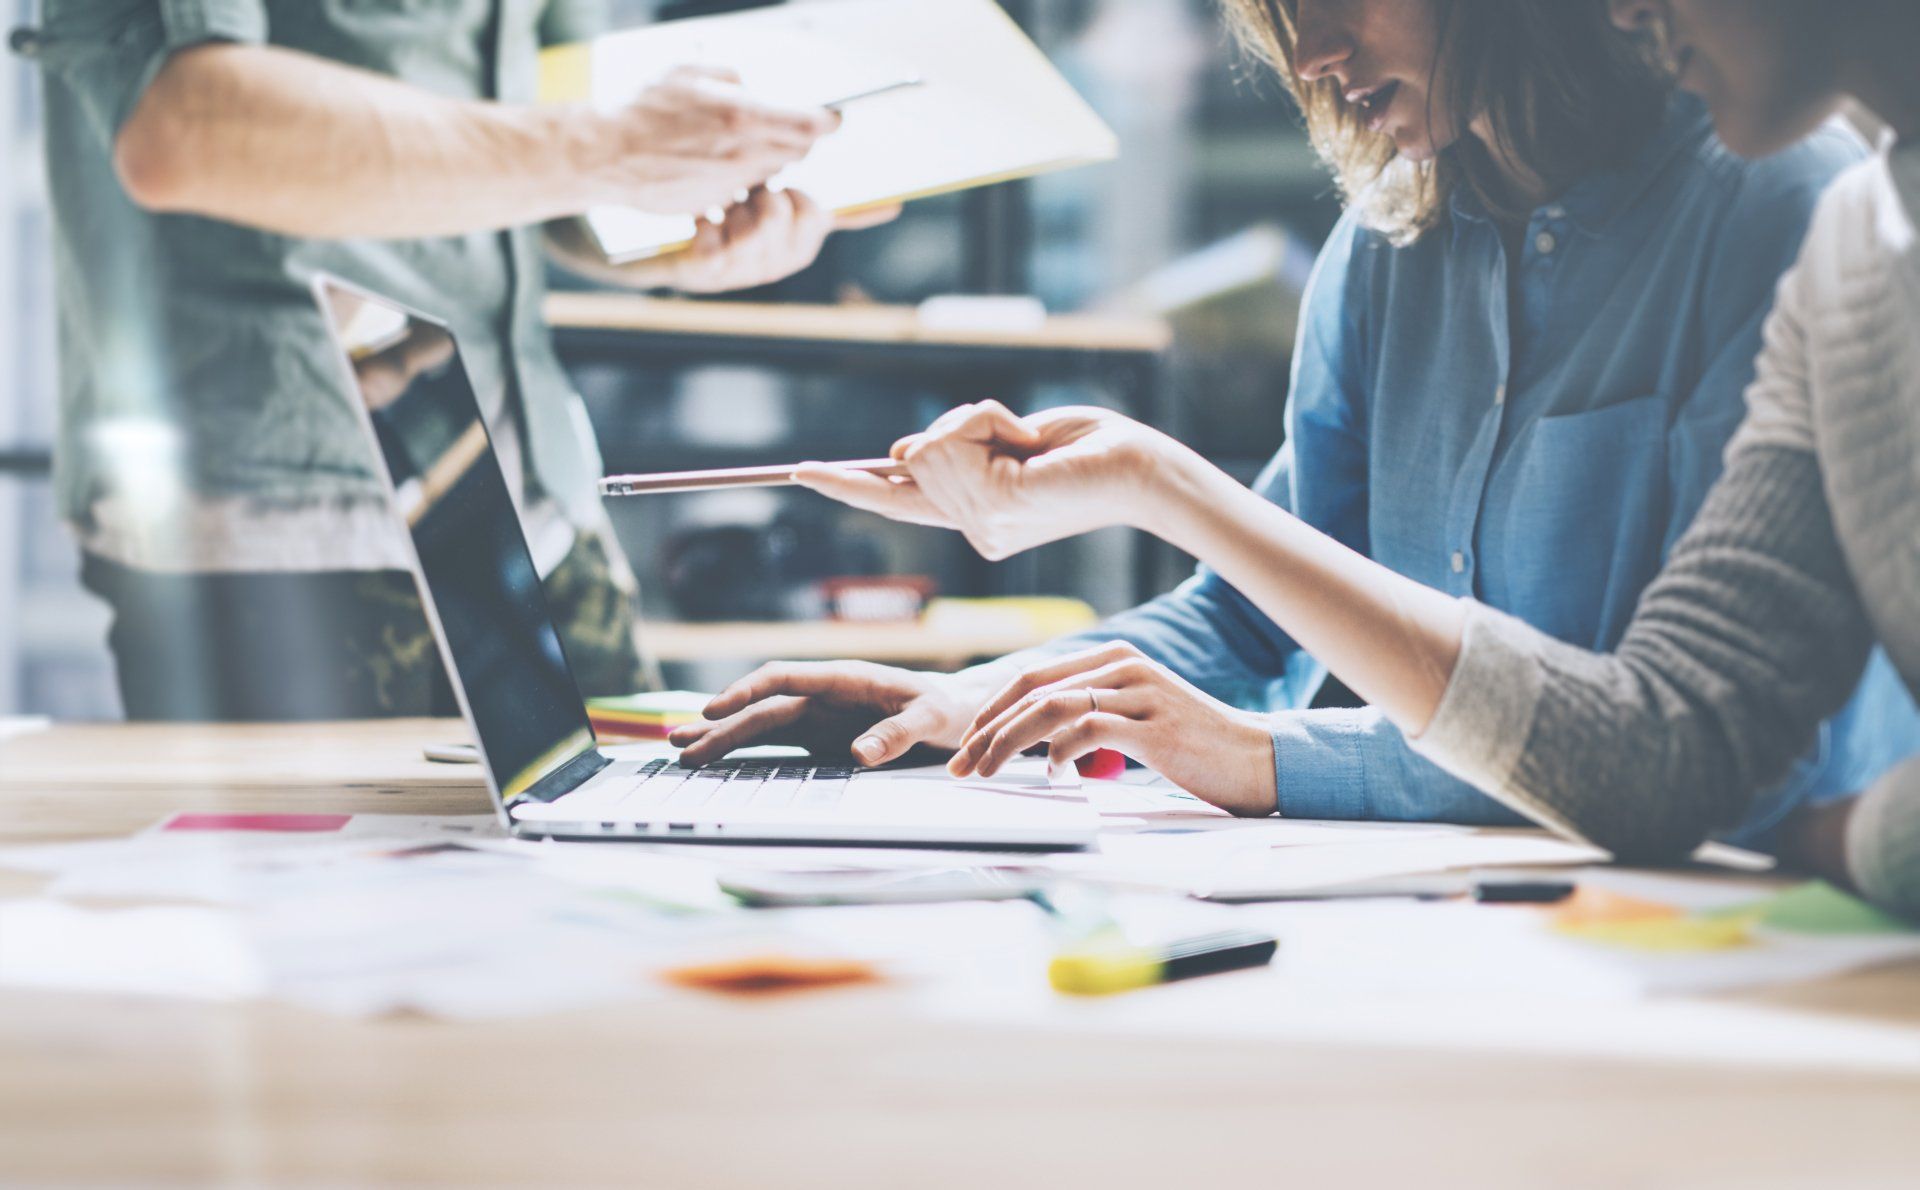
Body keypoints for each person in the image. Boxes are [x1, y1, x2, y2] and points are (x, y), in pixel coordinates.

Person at [756, 0, 1920, 917]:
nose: (1309, 52)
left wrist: (1269, 753)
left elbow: (1685, 749)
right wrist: (971, 703)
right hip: (1498, 916)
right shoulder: (1386, 245)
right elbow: (1257, 625)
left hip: (1732, 918)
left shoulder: (1791, 207)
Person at [27, 0, 894, 720]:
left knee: (630, 883)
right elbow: (181, 123)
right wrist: (610, 149)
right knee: (327, 920)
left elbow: (541, 141)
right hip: (289, 522)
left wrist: (673, 238)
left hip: (540, 501)